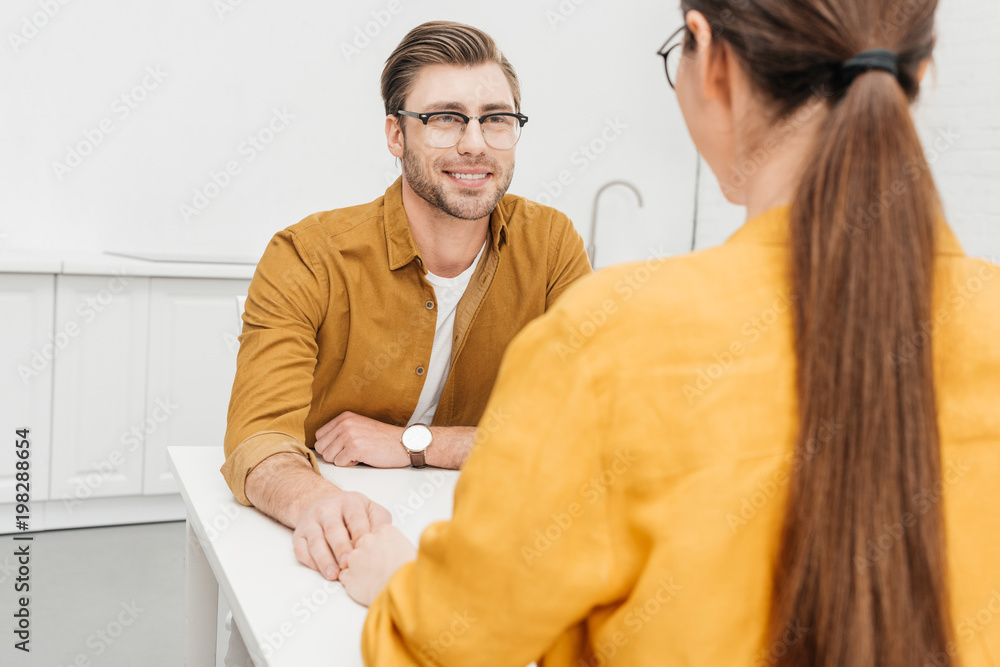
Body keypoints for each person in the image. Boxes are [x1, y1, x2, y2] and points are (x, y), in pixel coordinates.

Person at [338, 1, 1000, 665]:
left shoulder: (608, 343)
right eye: (448, 119)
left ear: (708, 55)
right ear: (919, 65)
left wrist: (396, 581)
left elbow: (441, 650)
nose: (474, 141)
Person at [221, 20, 590, 585]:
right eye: (444, 118)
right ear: (396, 135)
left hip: (485, 545)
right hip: (341, 536)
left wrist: (414, 444)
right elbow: (260, 437)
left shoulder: (551, 245)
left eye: (496, 118)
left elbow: (584, 428)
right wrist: (318, 505)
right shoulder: (307, 256)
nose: (475, 142)